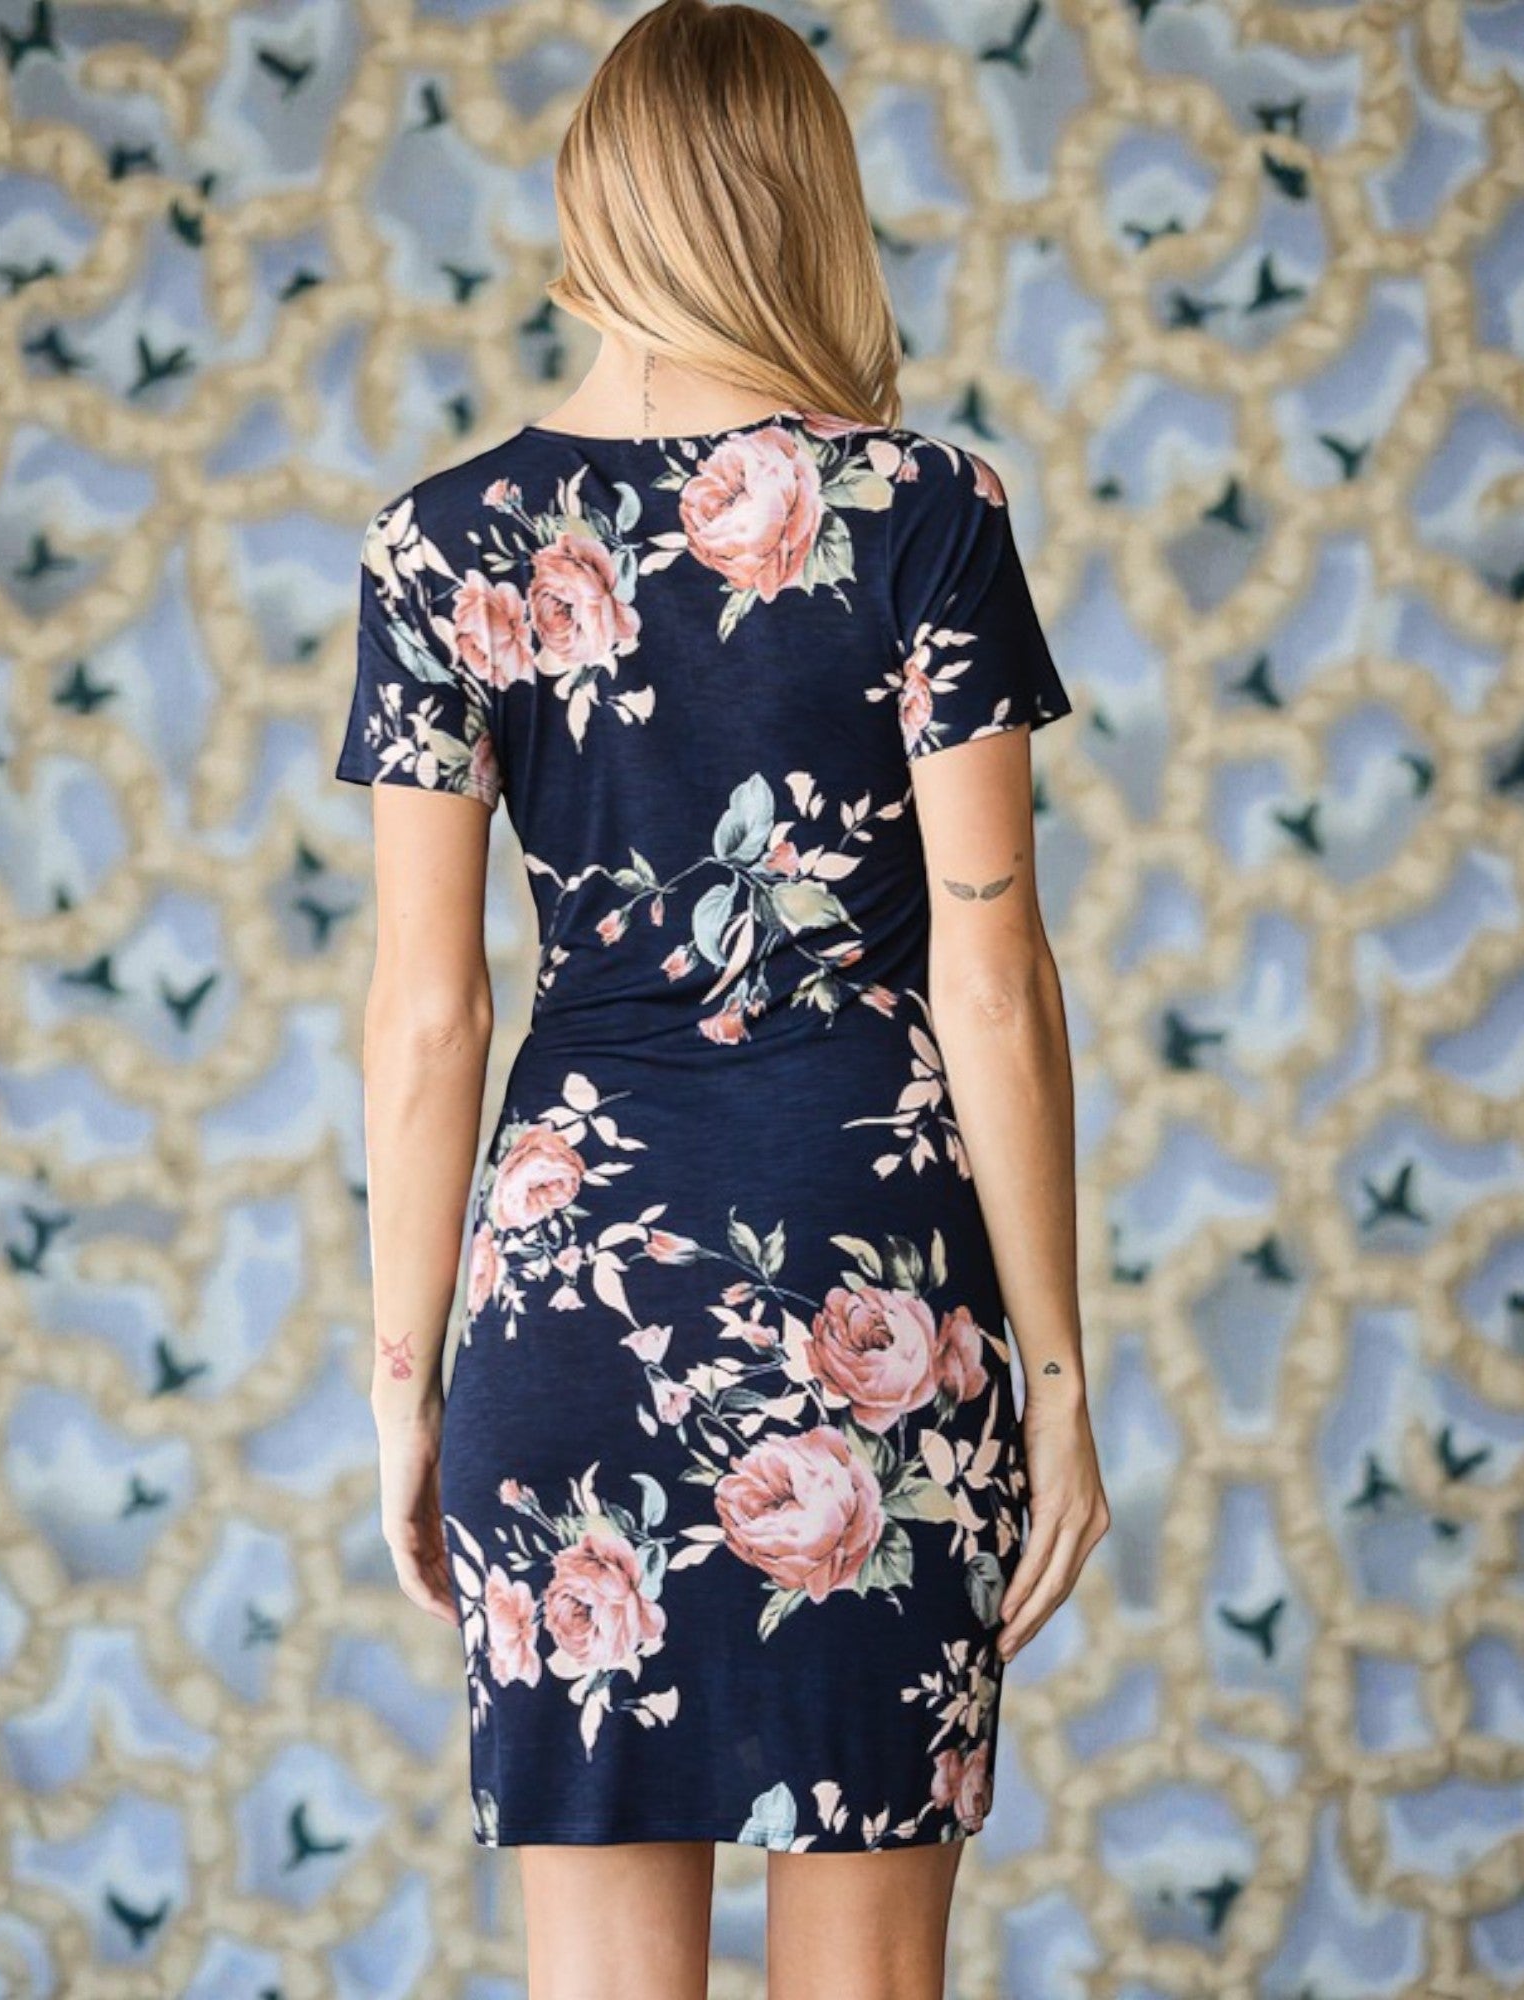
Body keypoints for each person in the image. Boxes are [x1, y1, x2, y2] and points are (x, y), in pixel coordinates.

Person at [334, 4, 1108, 1995]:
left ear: (591, 204)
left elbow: (427, 1015)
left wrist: (406, 1384)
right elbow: (993, 980)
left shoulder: (441, 544)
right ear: (803, 203)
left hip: (562, 1310)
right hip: (878, 1309)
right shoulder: (930, 509)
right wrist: (1060, 1374)